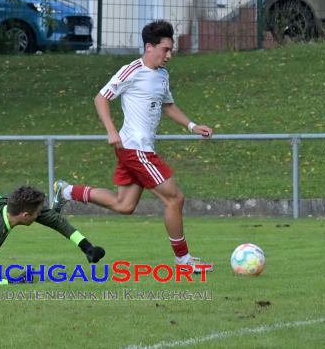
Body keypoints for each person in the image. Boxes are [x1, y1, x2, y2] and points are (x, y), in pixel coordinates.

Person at [51, 20, 213, 273]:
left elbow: (168, 105)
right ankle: (183, 260)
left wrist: (192, 125)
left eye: (171, 50)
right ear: (149, 47)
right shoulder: (131, 70)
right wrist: (111, 131)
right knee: (175, 198)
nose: (169, 55)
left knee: (124, 205)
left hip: (138, 149)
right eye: (165, 49)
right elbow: (101, 98)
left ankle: (67, 191)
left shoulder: (162, 75)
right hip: (135, 149)